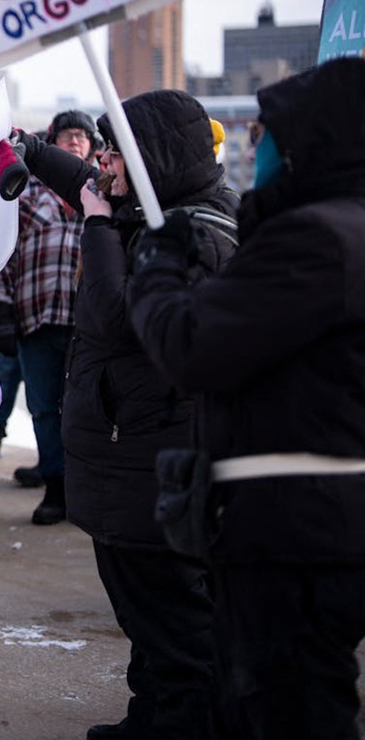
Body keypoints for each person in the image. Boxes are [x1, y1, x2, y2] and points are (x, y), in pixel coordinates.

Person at [128, 58, 365, 739]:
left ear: (310, 142)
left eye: (267, 135)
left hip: (297, 533)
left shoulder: (316, 237)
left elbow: (192, 346)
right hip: (319, 520)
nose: (254, 151)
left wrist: (157, 268)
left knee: (288, 712)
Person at [14, 92, 237, 739]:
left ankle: (182, 724)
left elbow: (114, 316)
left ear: (151, 160)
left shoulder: (200, 232)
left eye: (114, 153)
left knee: (172, 621)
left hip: (153, 455)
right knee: (142, 613)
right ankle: (151, 715)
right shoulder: (149, 200)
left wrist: (99, 225)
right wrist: (29, 149)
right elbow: (86, 180)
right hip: (127, 453)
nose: (102, 165)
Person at [0, 111, 99, 520]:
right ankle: (56, 489)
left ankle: (86, 488)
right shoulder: (26, 193)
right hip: (35, 320)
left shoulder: (102, 194)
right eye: (67, 136)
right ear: (52, 143)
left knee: (87, 410)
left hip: (89, 327)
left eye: (82, 136)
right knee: (44, 408)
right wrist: (2, 311)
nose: (75, 143)